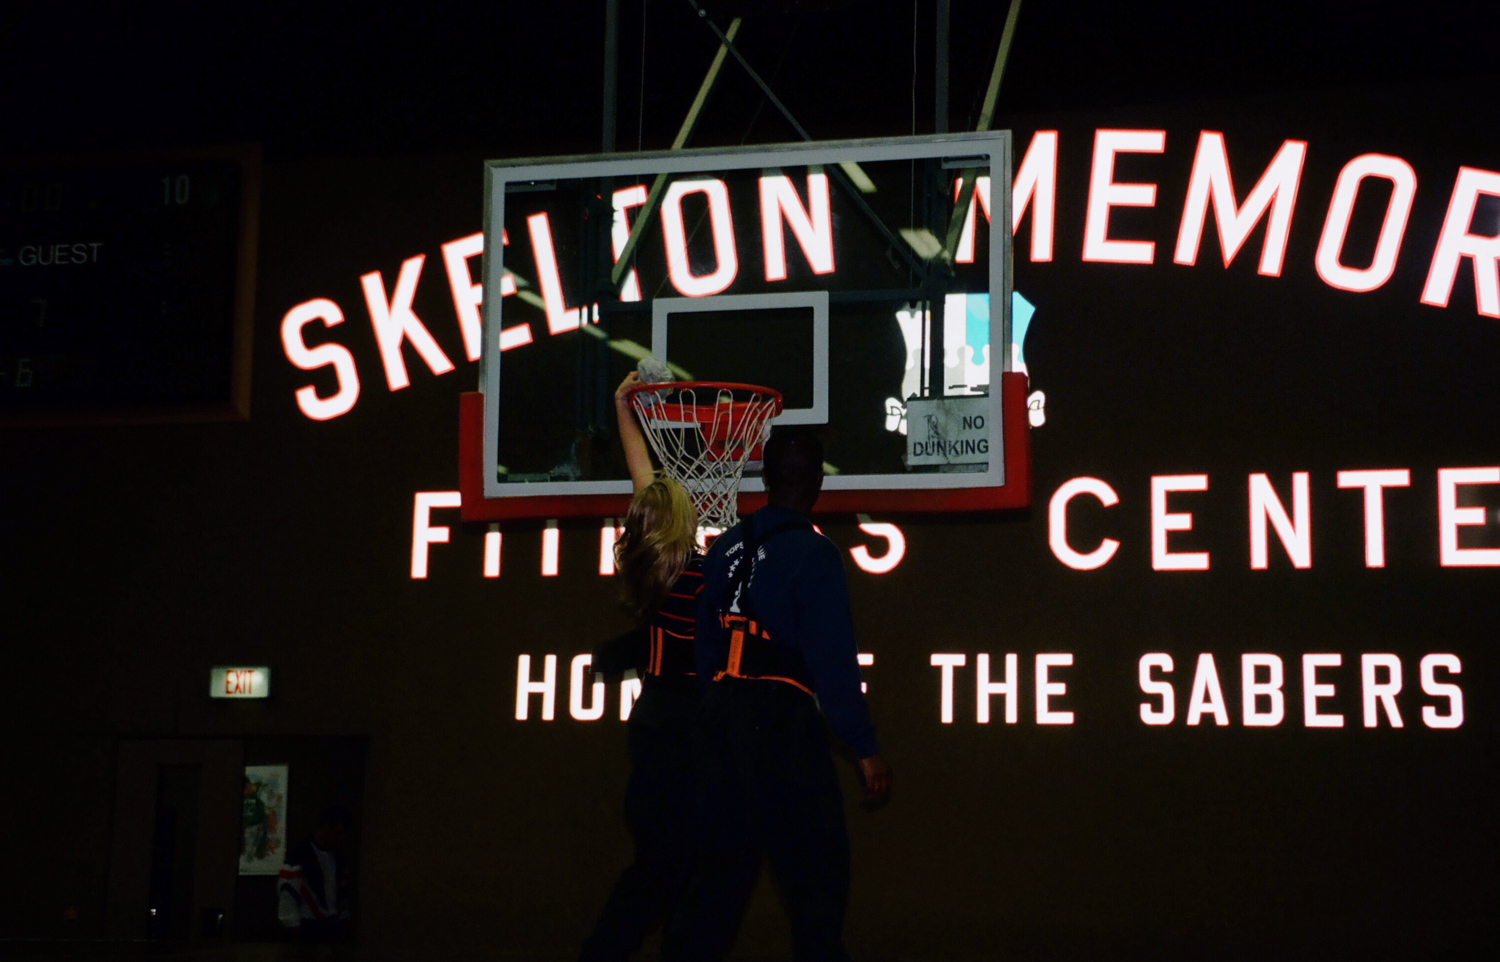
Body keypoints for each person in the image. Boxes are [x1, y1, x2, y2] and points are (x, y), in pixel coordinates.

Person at [664, 427, 892, 962]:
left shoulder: (723, 548)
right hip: (781, 724)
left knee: (716, 882)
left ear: (764, 479)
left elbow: (703, 646)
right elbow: (832, 660)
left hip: (720, 723)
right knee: (818, 879)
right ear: (816, 485)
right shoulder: (815, 554)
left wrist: (719, 708)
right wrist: (863, 745)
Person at [578, 370, 706, 962]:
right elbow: (647, 489)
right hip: (682, 741)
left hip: (654, 734)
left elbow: (645, 487)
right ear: (682, 524)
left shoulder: (651, 570)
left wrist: (623, 406)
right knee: (671, 879)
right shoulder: (699, 578)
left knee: (665, 875)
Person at [277, 806, 353, 943]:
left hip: (330, 925)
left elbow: (342, 894)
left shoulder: (338, 858)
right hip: (309, 926)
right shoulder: (300, 856)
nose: (340, 839)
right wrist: (294, 927)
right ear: (326, 828)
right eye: (337, 833)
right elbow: (288, 896)